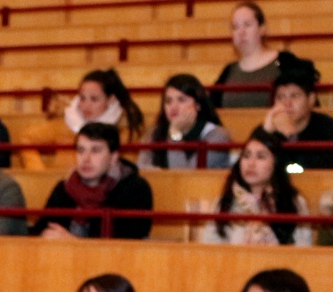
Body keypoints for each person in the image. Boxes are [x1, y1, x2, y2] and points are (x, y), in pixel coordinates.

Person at [30, 122, 154, 240]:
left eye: (95, 150)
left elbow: (129, 244)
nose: (86, 158)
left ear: (113, 157)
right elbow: (42, 231)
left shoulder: (135, 190)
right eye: (81, 150)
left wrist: (74, 243)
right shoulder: (65, 188)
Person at [198, 127, 310, 247]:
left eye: (260, 157)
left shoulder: (293, 203)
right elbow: (209, 248)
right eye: (246, 156)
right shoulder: (225, 201)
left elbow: (303, 250)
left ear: (276, 164)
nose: (251, 164)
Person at [16, 68, 147, 169]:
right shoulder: (67, 123)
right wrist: (40, 173)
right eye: (82, 98)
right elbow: (26, 138)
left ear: (111, 100)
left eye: (94, 99)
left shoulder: (127, 132)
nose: (86, 105)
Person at [210, 3, 314, 109]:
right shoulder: (228, 71)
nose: (241, 32)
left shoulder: (285, 62)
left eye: (247, 25)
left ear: (262, 28)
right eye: (235, 27)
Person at [261, 62, 333, 171]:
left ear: (311, 99)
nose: (287, 103)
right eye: (280, 97)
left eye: (294, 96)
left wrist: (292, 137)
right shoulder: (268, 128)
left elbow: (322, 170)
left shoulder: (330, 127)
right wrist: (265, 132)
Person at [139, 74, 233, 170]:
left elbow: (184, 176)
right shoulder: (153, 133)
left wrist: (175, 134)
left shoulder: (218, 136)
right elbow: (143, 171)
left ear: (198, 105)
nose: (173, 107)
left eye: (181, 100)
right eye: (168, 101)